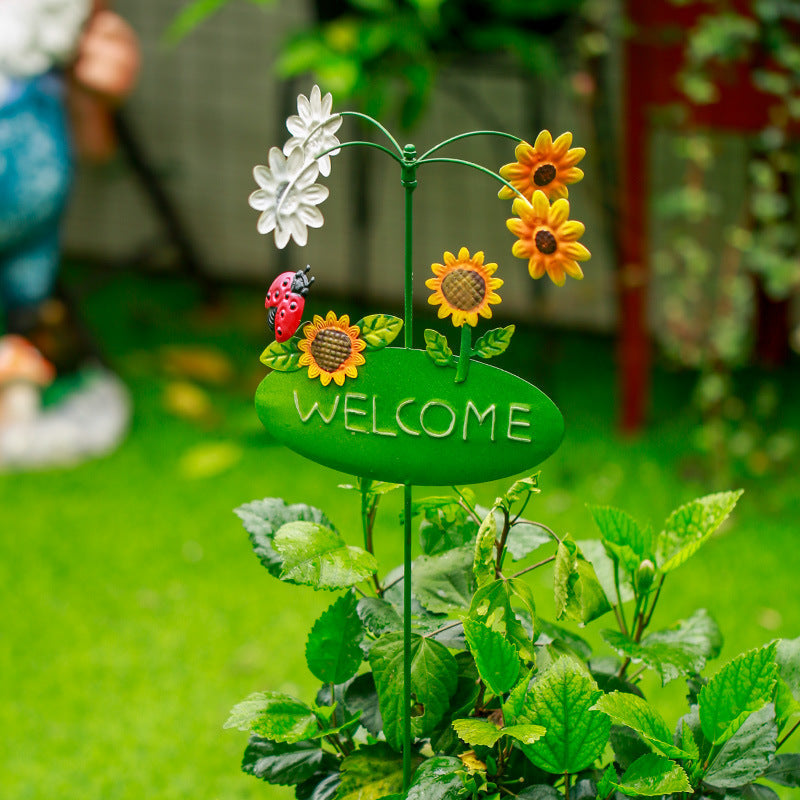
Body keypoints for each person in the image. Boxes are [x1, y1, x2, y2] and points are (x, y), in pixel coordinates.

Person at [0, 0, 139, 362]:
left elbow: (97, 140)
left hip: (36, 159)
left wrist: (99, 85)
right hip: (33, 140)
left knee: (29, 288)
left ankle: (27, 348)